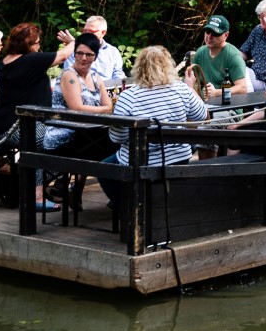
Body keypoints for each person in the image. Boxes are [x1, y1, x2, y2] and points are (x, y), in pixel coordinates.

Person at [102, 46, 209, 216]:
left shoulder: (129, 96)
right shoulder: (181, 89)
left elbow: (117, 137)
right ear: (168, 66)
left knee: (104, 169)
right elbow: (201, 115)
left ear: (139, 66)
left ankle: (129, 208)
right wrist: (190, 87)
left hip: (142, 162)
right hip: (178, 158)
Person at [0, 22, 75, 210]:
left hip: (4, 127)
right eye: (37, 43)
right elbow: (63, 55)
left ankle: (26, 183)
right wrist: (74, 42)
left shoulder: (7, 61)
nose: (39, 47)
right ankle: (36, 195)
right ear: (29, 44)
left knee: (63, 139)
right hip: (18, 128)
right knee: (58, 141)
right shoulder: (30, 61)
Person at [43, 33, 116, 154]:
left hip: (86, 133)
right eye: (79, 53)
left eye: (89, 54)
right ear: (74, 54)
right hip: (65, 136)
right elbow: (77, 108)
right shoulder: (69, 75)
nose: (83, 58)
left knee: (118, 141)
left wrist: (108, 108)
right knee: (112, 145)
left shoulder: (95, 77)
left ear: (95, 56)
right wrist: (106, 109)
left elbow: (109, 106)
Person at [186, 15, 251, 100]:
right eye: (208, 32)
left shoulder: (233, 56)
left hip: (227, 105)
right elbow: (192, 81)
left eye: (215, 33)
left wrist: (216, 93)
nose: (209, 37)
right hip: (203, 104)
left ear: (226, 35)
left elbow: (242, 88)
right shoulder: (200, 52)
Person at [81, 15, 124, 86]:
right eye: (85, 31)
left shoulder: (113, 51)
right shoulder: (75, 51)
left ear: (103, 33)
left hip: (109, 91)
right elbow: (71, 77)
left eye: (91, 32)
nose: (87, 34)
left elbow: (118, 75)